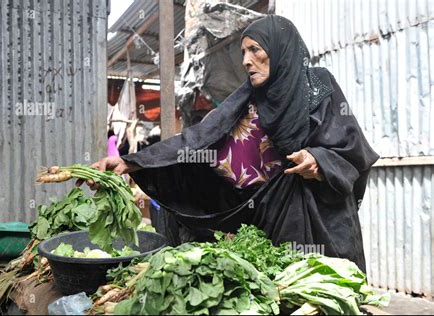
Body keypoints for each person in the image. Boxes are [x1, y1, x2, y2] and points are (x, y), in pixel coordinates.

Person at [82, 16, 378, 272]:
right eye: (243, 52)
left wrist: (319, 161)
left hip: (320, 224)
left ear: (279, 50)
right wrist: (132, 162)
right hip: (271, 226)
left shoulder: (319, 87)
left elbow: (353, 150)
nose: (246, 60)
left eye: (255, 50)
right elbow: (195, 141)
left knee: (326, 294)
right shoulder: (245, 100)